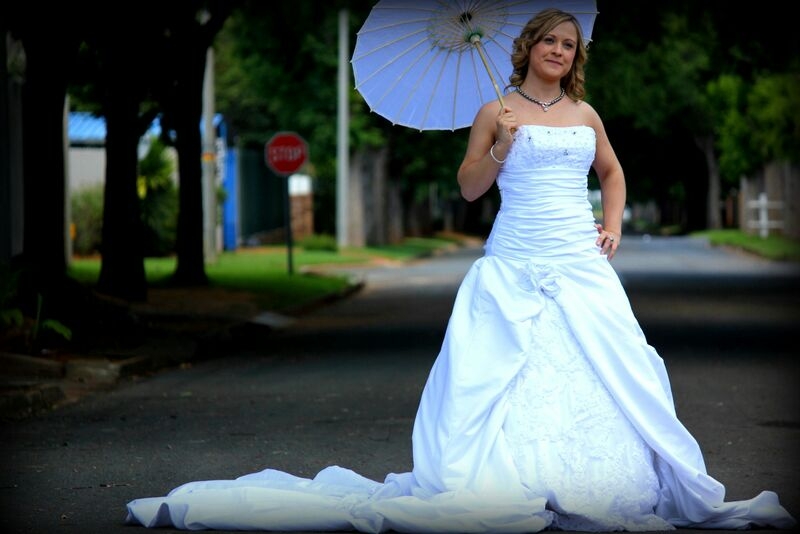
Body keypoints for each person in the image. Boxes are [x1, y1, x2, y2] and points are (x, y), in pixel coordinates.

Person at [125, 8, 796, 533]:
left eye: (568, 44)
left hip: (579, 261)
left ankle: (604, 480)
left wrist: (613, 224)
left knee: (609, 368)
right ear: (529, 48)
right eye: (549, 41)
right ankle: (509, 478)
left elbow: (613, 174)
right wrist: (499, 147)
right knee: (499, 373)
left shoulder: (585, 114)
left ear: (576, 55)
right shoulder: (492, 112)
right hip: (513, 259)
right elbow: (471, 188)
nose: (559, 51)